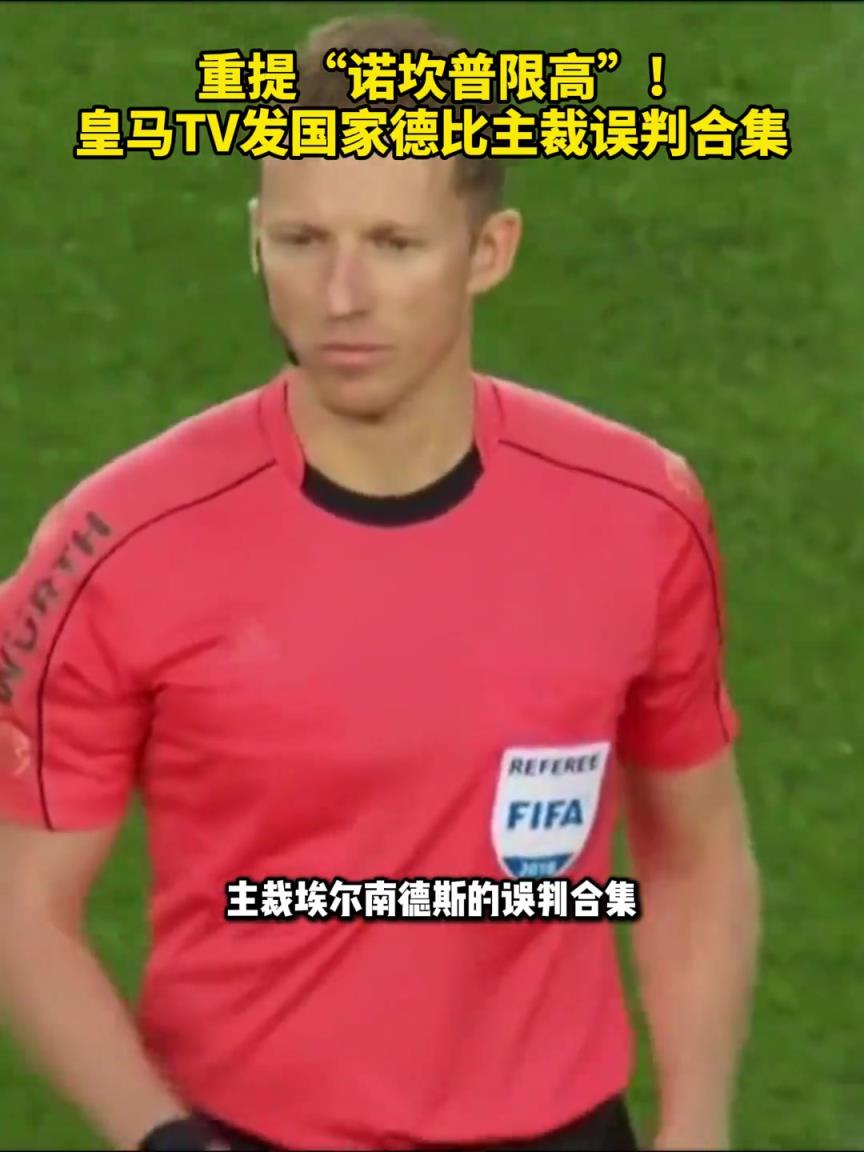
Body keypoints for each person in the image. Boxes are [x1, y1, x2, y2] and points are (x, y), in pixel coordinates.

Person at [0, 12, 762, 1152]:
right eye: (302, 240)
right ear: (256, 239)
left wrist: (696, 1128)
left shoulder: (639, 512)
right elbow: (22, 901)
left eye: (396, 244)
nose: (342, 294)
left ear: (489, 251)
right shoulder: (117, 545)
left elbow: (694, 845)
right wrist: (161, 1139)